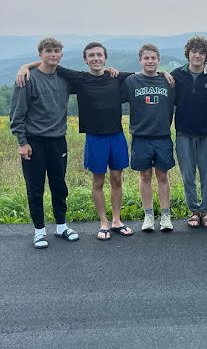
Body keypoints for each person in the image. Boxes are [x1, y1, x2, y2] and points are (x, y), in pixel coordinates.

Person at [17, 42, 135, 240]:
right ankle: (103, 222)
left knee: (117, 180)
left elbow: (143, 76)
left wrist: (166, 74)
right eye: (91, 55)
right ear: (85, 59)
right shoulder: (79, 79)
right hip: (94, 137)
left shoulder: (116, 77)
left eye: (99, 55)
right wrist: (25, 67)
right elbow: (50, 63)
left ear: (105, 59)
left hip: (117, 135)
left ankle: (117, 221)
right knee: (98, 181)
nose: (96, 58)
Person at [10, 37, 79, 248]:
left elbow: (93, 77)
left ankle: (61, 226)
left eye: (56, 51)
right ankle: (39, 231)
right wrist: (22, 142)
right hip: (34, 141)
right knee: (35, 187)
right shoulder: (27, 79)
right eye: (48, 51)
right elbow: (17, 114)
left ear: (61, 54)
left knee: (59, 185)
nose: (53, 54)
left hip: (58, 141)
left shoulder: (65, 78)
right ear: (40, 54)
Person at [122, 44, 176, 232]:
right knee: (144, 175)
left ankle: (166, 215)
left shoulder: (168, 82)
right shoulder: (131, 82)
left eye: (153, 58)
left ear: (158, 60)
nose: (150, 61)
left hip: (162, 136)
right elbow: (114, 79)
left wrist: (164, 73)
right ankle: (148, 215)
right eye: (146, 58)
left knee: (162, 175)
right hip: (140, 136)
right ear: (140, 61)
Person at [171, 36, 207, 228]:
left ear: (206, 55)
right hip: (184, 132)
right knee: (188, 175)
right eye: (194, 52)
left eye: (202, 53)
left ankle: (206, 211)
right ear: (188, 53)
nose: (197, 56)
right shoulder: (176, 75)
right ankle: (194, 211)